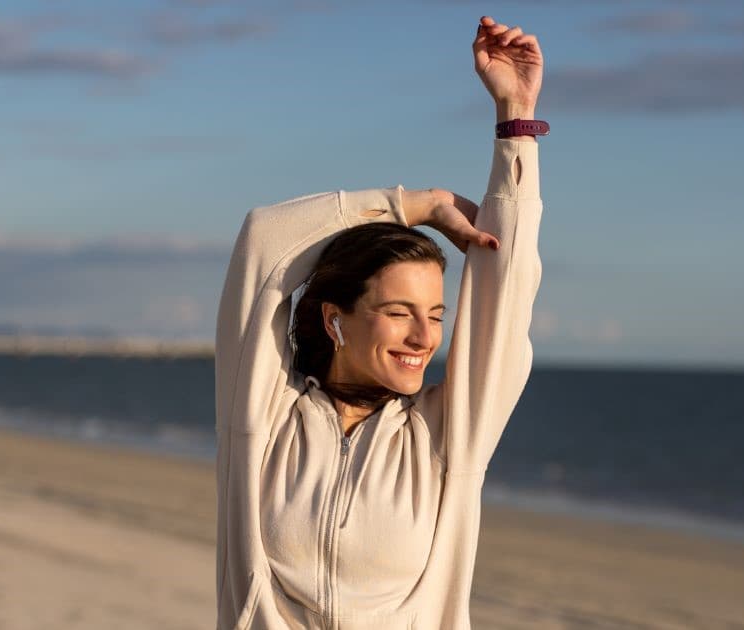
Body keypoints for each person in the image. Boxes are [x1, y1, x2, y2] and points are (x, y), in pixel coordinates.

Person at [214, 15, 545, 629]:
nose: (424, 338)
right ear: (336, 320)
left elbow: (507, 289)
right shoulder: (263, 415)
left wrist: (516, 124)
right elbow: (264, 244)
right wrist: (414, 205)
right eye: (399, 313)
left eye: (436, 316)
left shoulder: (448, 437)